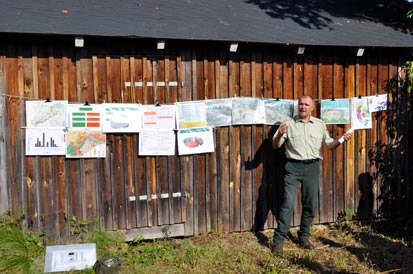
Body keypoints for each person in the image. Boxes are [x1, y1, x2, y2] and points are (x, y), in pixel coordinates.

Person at [271, 94, 353, 254]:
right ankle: (278, 241)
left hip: (312, 168)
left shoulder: (319, 124)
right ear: (298, 106)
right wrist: (280, 133)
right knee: (288, 204)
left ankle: (304, 237)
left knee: (310, 204)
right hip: (293, 168)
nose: (303, 107)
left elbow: (329, 145)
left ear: (312, 108)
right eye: (301, 104)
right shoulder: (287, 124)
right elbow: (275, 145)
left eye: (306, 105)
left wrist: (342, 139)